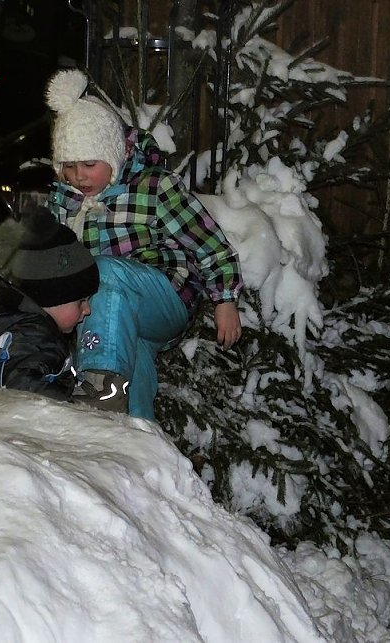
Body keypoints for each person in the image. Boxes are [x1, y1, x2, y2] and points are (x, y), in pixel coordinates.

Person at [44, 69, 244, 420]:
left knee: (103, 272)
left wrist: (225, 300)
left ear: (114, 154)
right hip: (108, 315)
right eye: (68, 166)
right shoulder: (64, 202)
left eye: (89, 164)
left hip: (163, 299)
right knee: (131, 383)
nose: (78, 176)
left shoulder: (153, 188)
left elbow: (210, 244)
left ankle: (97, 385)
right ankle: (133, 439)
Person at [0, 212, 99, 403]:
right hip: (9, 418)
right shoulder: (39, 338)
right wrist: (71, 407)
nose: (87, 310)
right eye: (81, 301)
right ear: (51, 300)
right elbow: (25, 391)